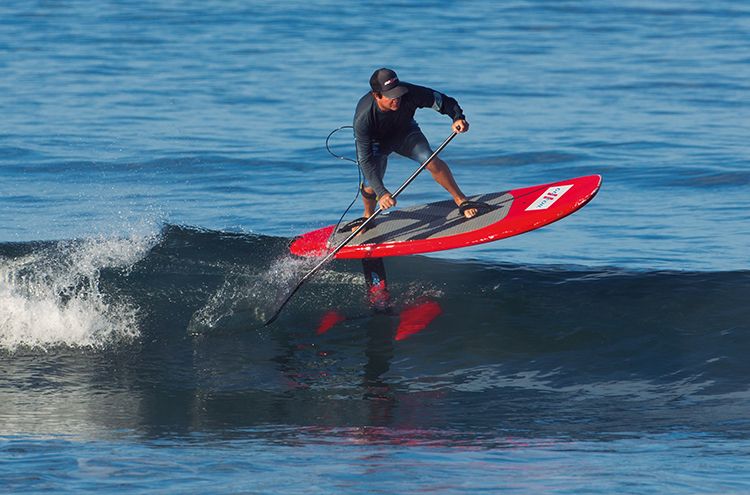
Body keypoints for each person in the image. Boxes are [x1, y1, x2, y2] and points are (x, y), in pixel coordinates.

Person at [351, 68, 479, 228]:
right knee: (371, 184)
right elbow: (365, 160)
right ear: (376, 95)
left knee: (430, 159)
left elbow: (444, 101)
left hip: (405, 133)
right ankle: (368, 217)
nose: (397, 99)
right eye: (391, 96)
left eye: (397, 93)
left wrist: (457, 117)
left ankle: (461, 200)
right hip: (376, 144)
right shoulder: (363, 118)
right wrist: (382, 193)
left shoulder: (410, 93)